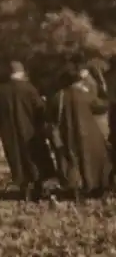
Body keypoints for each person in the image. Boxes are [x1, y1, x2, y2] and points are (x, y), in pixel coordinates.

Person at [47, 64, 112, 202]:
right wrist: (103, 91)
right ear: (78, 81)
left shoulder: (58, 96)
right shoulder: (85, 95)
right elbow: (101, 107)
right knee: (93, 160)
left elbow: (50, 116)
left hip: (67, 134)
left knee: (72, 161)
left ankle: (76, 189)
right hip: (89, 133)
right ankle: (95, 187)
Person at [0, 61, 56, 202]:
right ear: (21, 73)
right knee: (34, 159)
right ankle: (38, 189)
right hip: (30, 130)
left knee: (17, 160)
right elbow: (40, 110)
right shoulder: (29, 89)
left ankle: (24, 189)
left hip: (9, 133)